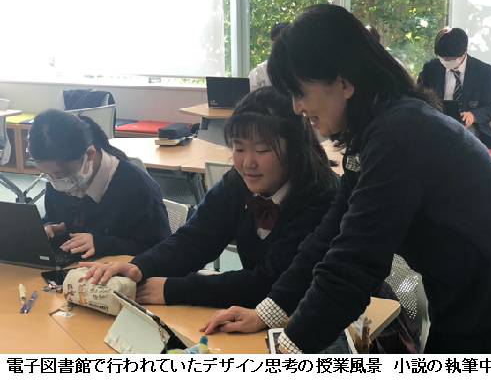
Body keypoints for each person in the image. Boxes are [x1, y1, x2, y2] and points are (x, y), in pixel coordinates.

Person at [201, 4, 491, 354]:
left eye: (300, 92)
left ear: (343, 83)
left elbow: (354, 263)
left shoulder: (398, 135)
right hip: (467, 299)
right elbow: (331, 233)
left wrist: (288, 351)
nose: (297, 108)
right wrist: (268, 312)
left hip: (485, 307)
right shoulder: (381, 126)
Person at [80, 87, 339, 309]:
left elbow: (272, 281)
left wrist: (176, 289)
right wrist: (141, 266)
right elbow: (193, 241)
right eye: (238, 148)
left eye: (262, 150)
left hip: (314, 317)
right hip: (256, 317)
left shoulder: (321, 197)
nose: (247, 162)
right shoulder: (236, 186)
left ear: (295, 148)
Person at [28, 109, 171, 259]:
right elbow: (52, 217)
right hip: (76, 267)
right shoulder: (55, 176)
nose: (55, 182)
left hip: (119, 270)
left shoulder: (136, 187)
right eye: (46, 174)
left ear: (89, 154)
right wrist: (49, 228)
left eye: (61, 174)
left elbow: (160, 251)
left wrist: (103, 244)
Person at [418, 26, 491, 149]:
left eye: (451, 59)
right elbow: (419, 96)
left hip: (469, 127)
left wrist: (473, 115)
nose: (446, 61)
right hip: (436, 121)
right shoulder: (430, 67)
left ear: (464, 51)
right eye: (442, 58)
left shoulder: (484, 71)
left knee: (460, 142)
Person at [248, 22, 290, 92]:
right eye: (278, 41)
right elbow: (247, 92)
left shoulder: (301, 67)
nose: (282, 44)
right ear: (271, 42)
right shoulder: (261, 70)